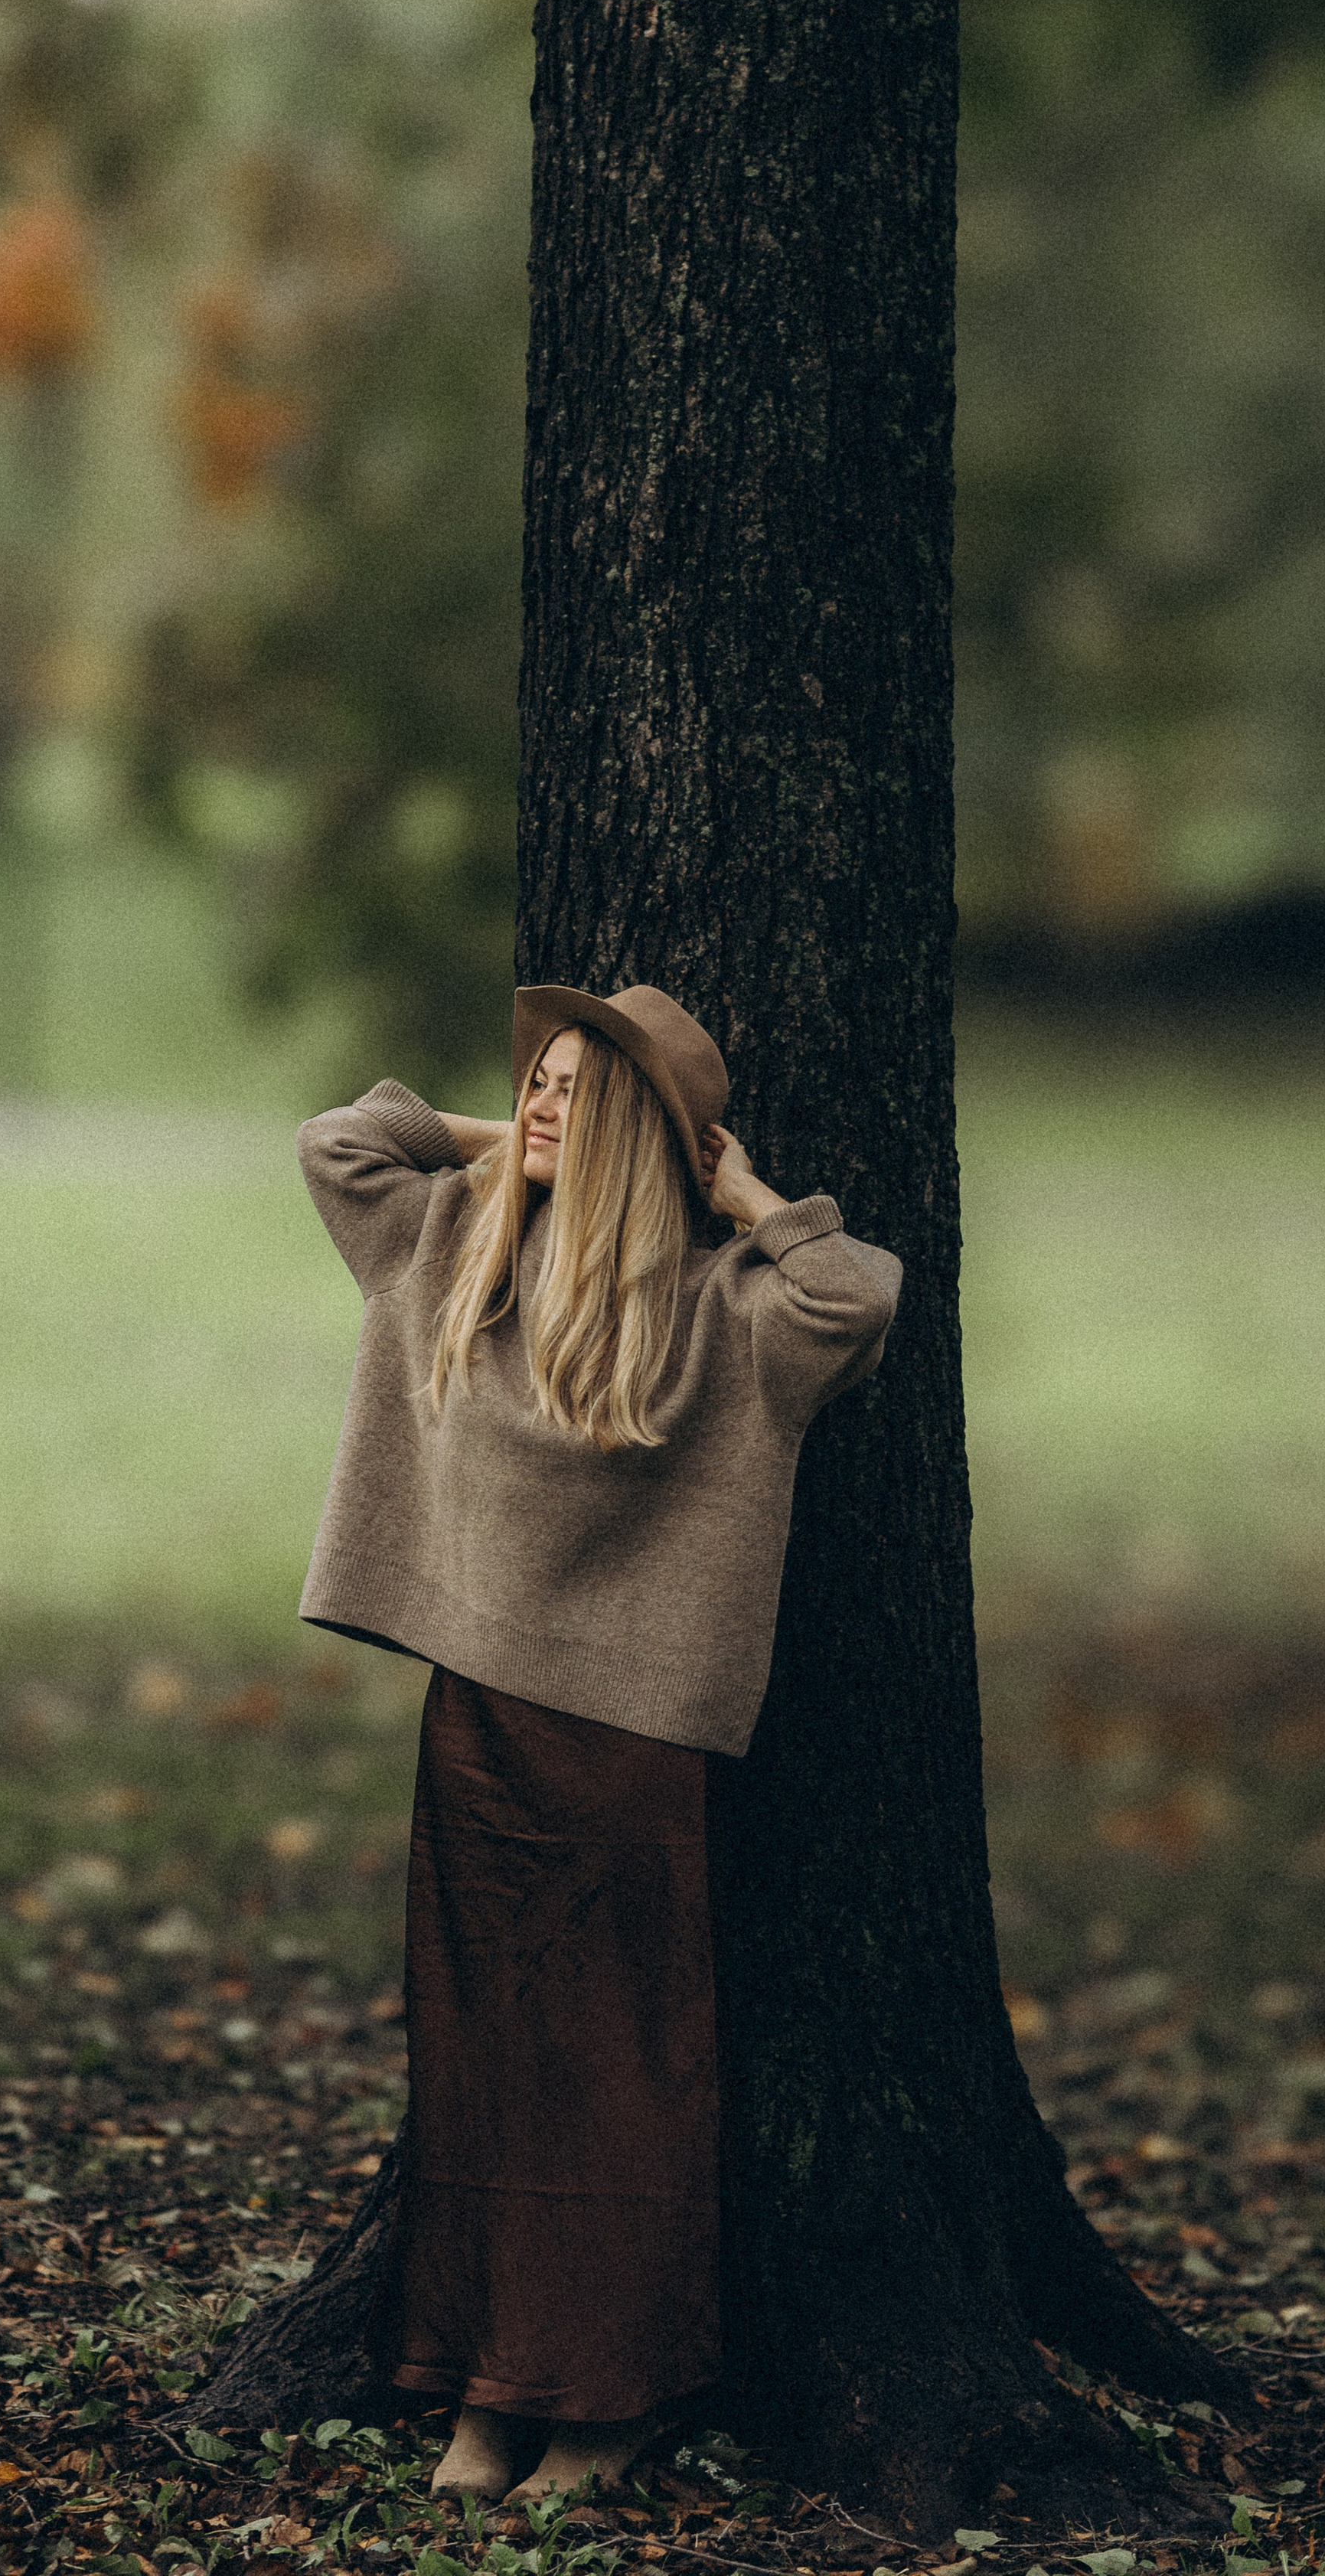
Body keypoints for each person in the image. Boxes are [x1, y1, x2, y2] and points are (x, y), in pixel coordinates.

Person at [295, 983, 903, 2508]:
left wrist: (735, 1186)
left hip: (627, 1752)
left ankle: (603, 2404)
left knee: (614, 2076)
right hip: (474, 1727)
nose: (544, 1102)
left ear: (652, 1135)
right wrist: (510, 1132)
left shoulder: (721, 1315)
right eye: (536, 1082)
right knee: (480, 2066)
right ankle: (478, 2392)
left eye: (579, 1089)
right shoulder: (446, 1252)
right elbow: (340, 1146)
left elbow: (856, 1294)